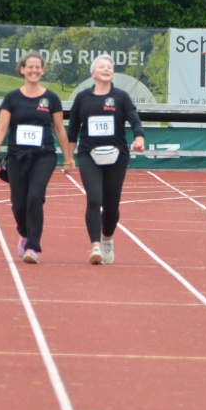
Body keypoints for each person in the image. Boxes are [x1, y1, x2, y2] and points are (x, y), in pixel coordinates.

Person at [0, 52, 73, 264]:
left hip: (43, 156)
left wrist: (68, 159)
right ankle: (24, 233)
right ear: (22, 70)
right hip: (17, 156)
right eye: (30, 67)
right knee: (18, 204)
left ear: (43, 70)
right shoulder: (12, 98)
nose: (34, 70)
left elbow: (60, 129)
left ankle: (32, 247)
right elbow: (2, 128)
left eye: (38, 67)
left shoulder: (51, 99)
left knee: (35, 197)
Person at [67, 53, 145, 265]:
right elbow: (73, 129)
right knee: (94, 199)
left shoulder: (121, 97)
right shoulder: (82, 98)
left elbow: (134, 120)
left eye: (109, 67)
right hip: (88, 154)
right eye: (102, 66)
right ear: (93, 73)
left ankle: (107, 239)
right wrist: (68, 157)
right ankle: (95, 247)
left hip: (116, 155)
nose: (106, 69)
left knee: (111, 206)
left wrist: (139, 137)